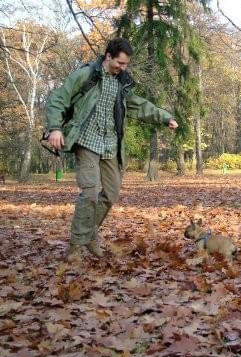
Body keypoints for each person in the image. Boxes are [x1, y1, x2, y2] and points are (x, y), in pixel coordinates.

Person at [45, 38, 178, 258]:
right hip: (86, 140)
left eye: (126, 64)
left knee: (111, 192)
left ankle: (89, 235)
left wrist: (165, 117)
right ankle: (77, 245)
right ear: (108, 57)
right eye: (120, 63)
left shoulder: (122, 83)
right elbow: (58, 99)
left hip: (110, 144)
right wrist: (55, 128)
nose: (123, 68)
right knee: (89, 192)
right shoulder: (86, 75)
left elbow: (140, 105)